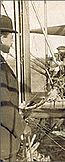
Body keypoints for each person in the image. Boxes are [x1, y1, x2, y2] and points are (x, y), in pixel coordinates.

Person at [0, 15, 26, 161]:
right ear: (1, 37)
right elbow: (3, 107)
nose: (12, 42)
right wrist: (22, 127)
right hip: (3, 142)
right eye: (10, 37)